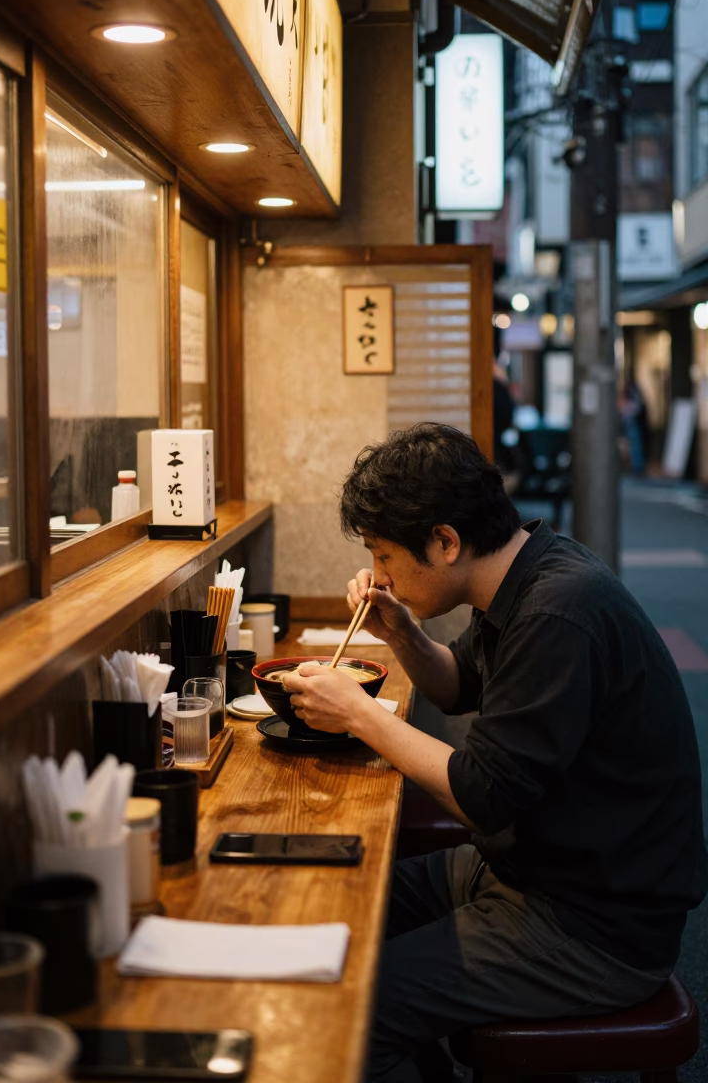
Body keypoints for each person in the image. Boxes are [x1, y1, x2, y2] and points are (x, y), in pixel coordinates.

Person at [282, 424, 707, 1083]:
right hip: (534, 872)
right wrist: (402, 635)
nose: (379, 574)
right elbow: (458, 687)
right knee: (338, 901)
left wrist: (362, 714)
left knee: (359, 1003)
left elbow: (484, 795)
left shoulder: (557, 611)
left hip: (594, 925)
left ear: (446, 542)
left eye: (385, 555)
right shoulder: (526, 571)